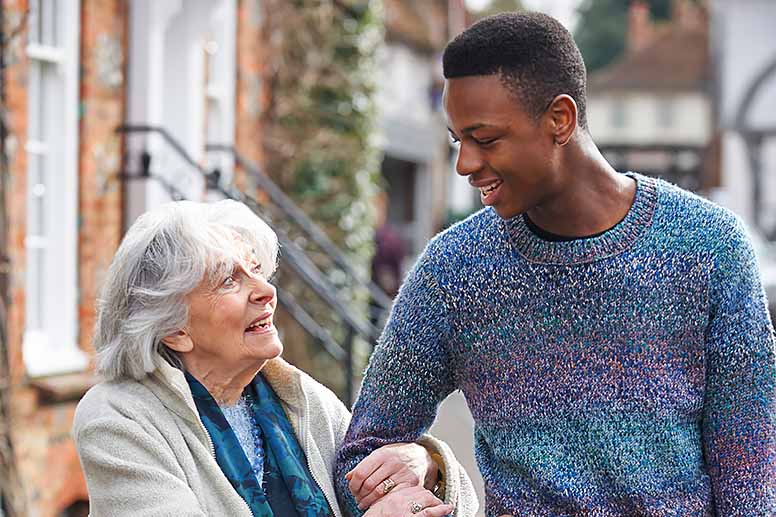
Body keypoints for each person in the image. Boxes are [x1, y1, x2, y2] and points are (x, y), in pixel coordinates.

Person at [336, 11, 776, 516]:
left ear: (560, 120)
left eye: (486, 139)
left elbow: (749, 477)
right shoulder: (454, 270)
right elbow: (361, 456)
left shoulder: (711, 248)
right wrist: (421, 466)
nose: (466, 164)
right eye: (460, 141)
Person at [72, 200, 476, 516]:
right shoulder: (118, 421)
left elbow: (446, 502)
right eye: (229, 280)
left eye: (256, 270)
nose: (264, 290)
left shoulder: (298, 399)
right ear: (174, 329)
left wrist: (426, 463)